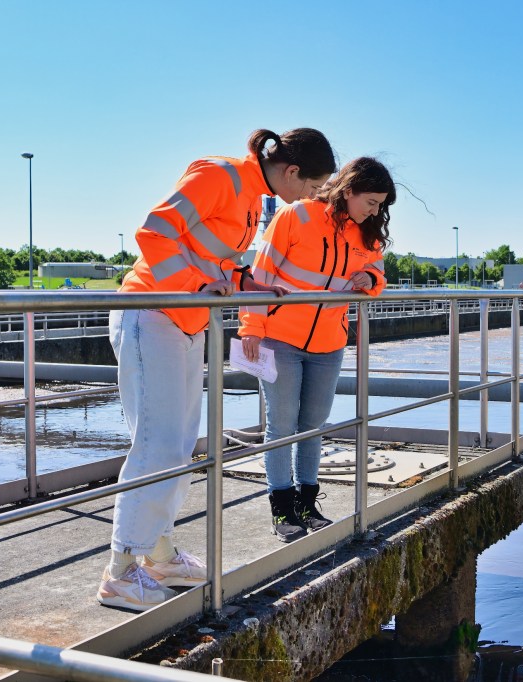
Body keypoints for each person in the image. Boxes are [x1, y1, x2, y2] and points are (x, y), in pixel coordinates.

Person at [98, 128, 336, 611]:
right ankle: (120, 572)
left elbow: (214, 260)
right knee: (157, 444)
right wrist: (196, 285)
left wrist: (248, 284)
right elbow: (154, 231)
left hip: (185, 322)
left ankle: (159, 555)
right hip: (151, 312)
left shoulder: (251, 194)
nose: (310, 198)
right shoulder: (220, 175)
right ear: (292, 171)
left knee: (179, 444)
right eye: (312, 188)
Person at [239, 157, 395, 542]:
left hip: (329, 344)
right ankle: (282, 509)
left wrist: (370, 276)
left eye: (380, 206)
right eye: (371, 202)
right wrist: (252, 327)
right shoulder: (296, 215)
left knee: (313, 426)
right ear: (349, 190)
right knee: (281, 425)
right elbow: (261, 275)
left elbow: (378, 276)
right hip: (279, 338)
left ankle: (308, 506)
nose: (374, 211)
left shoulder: (368, 236)